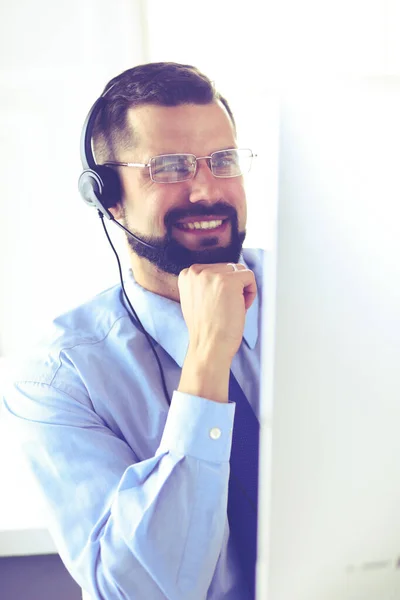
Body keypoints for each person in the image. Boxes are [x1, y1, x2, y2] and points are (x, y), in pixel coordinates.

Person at [3, 62, 263, 600]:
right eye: (169, 167)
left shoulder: (333, 296)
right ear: (107, 196)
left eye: (223, 161)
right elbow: (138, 591)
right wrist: (208, 358)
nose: (205, 191)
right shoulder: (58, 379)